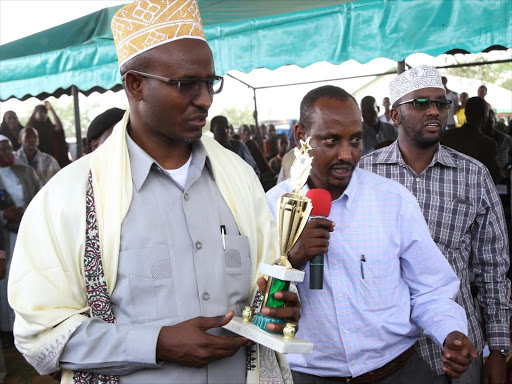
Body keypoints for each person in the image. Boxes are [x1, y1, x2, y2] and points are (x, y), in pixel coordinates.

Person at [9, 2, 299, 383]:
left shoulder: (239, 178)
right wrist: (156, 343)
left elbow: (262, 290)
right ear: (135, 84)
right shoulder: (69, 198)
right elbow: (41, 336)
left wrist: (276, 310)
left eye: (210, 82)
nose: (206, 99)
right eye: (186, 84)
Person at [267, 85, 476, 384]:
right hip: (308, 376)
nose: (346, 154)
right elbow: (254, 303)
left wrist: (450, 332)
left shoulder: (392, 200)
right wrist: (293, 258)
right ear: (301, 136)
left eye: (354, 140)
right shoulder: (269, 209)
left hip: (400, 372)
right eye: (331, 140)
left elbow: (430, 289)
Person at [360, 65, 510, 384]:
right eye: (420, 103)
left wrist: (498, 350)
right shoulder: (365, 174)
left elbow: (493, 268)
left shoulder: (472, 175)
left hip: (459, 347)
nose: (434, 111)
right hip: (389, 348)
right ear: (395, 115)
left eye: (441, 103)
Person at [0, 136, 40, 334]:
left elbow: (41, 196)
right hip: (4, 239)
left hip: (27, 233)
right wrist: (3, 214)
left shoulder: (25, 171)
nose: (7, 153)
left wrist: (28, 211)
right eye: (1, 150)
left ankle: (30, 325)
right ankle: (8, 328)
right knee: (7, 279)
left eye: (8, 149)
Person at [441, 97, 504, 183]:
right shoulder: (488, 144)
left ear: (466, 113)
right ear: (486, 116)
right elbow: (494, 176)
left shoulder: (445, 136)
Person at [26, 102, 70, 168]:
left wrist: (51, 110)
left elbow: (59, 128)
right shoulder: (30, 128)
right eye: (40, 112)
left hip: (51, 159)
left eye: (45, 112)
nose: (43, 114)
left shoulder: (49, 127)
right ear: (35, 114)